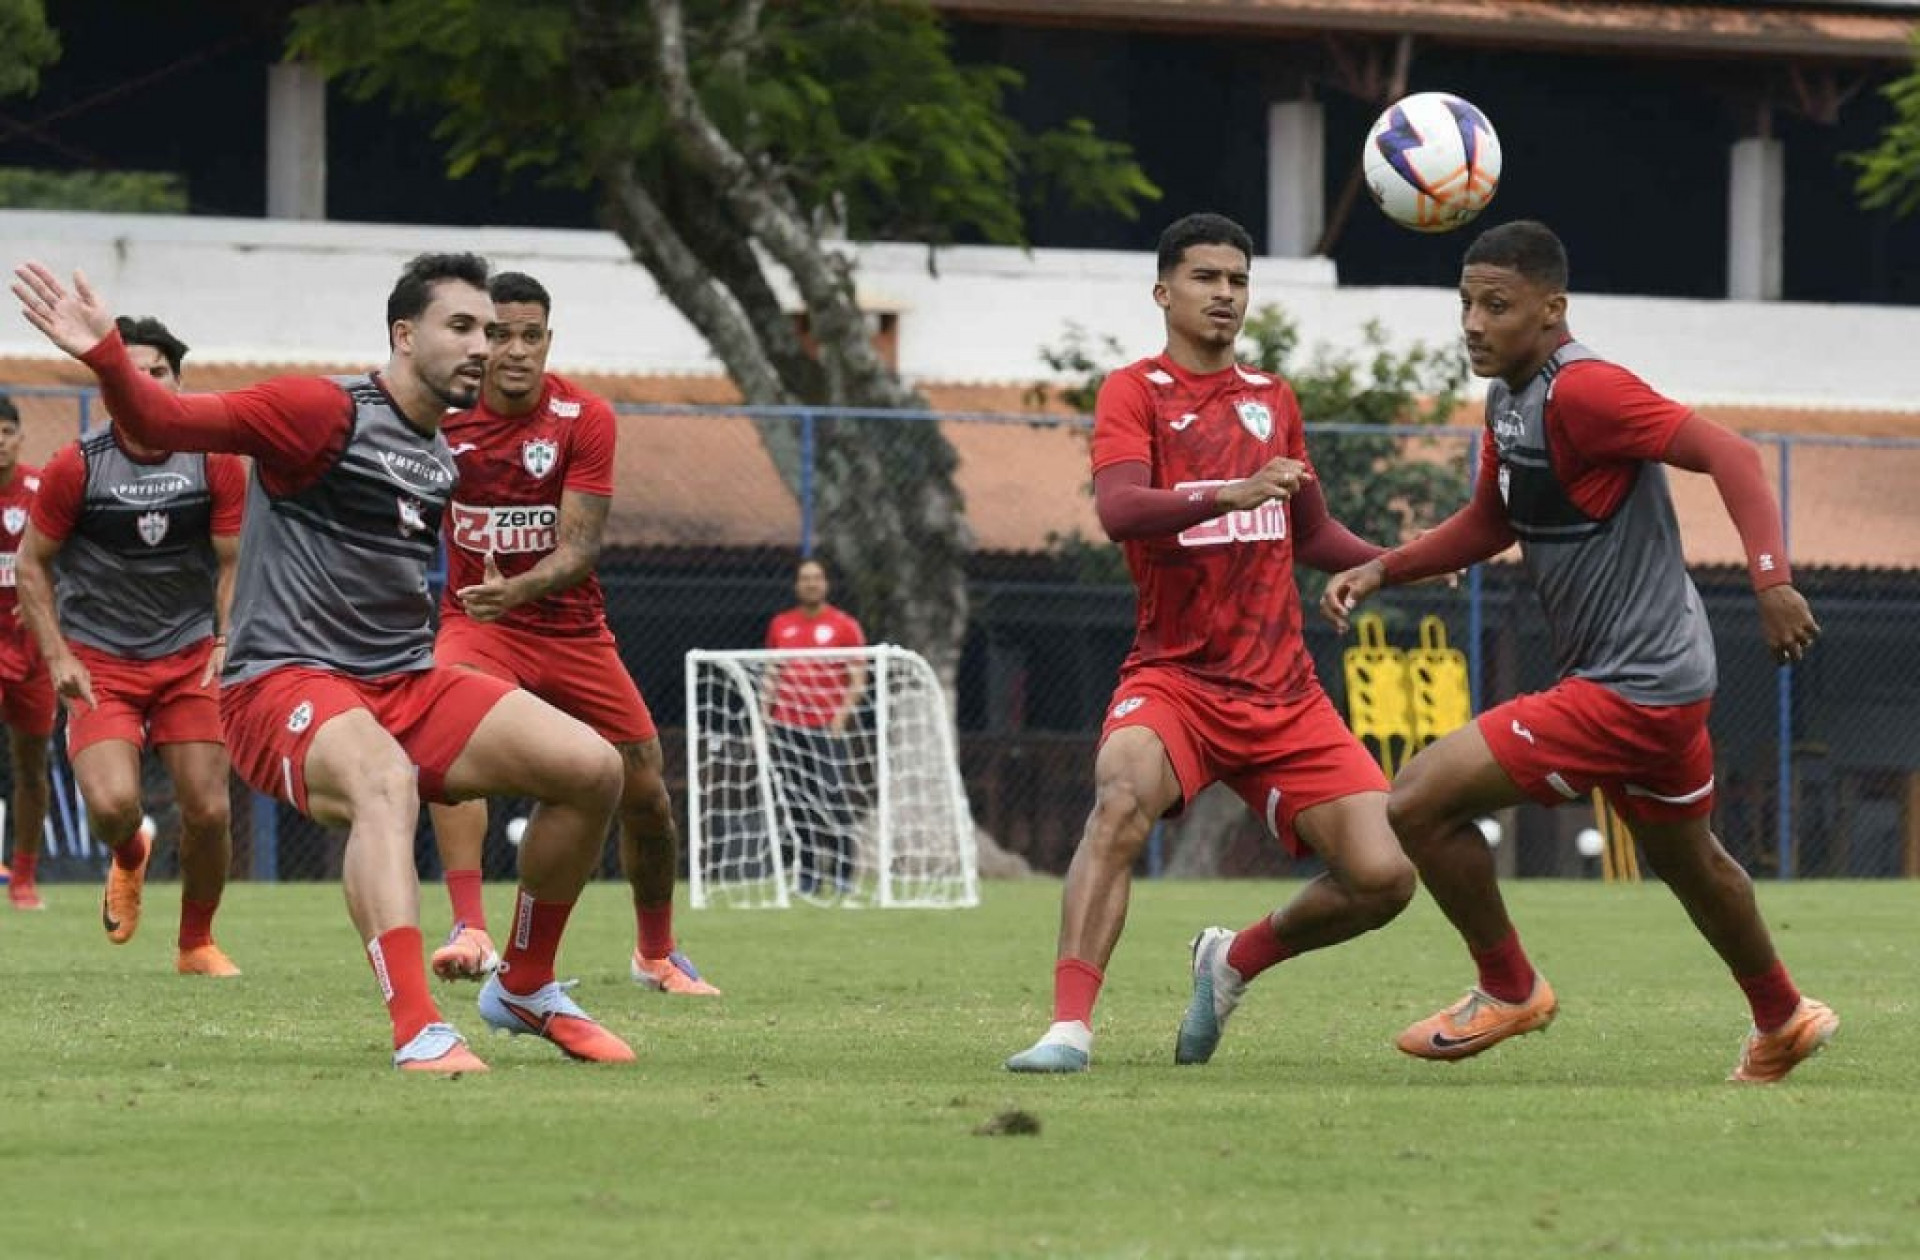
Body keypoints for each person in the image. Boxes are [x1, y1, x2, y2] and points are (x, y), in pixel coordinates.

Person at [12, 254, 631, 1073]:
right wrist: (105, 356)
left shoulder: (439, 453)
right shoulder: (317, 410)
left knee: (593, 769)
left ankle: (524, 985)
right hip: (283, 680)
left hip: (400, 680)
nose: (484, 347)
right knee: (384, 781)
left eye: (489, 330)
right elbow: (161, 420)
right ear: (403, 335)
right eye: (461, 327)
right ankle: (418, 1027)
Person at [1321, 219, 1836, 1084]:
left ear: (1552, 309)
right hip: (1664, 678)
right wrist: (1382, 568)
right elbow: (1490, 522)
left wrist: (1772, 582)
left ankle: (1509, 987)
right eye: (1465, 304)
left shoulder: (1588, 390)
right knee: (1690, 861)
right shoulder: (1508, 400)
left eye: (1497, 305)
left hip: (1632, 685)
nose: (1473, 323)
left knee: (1415, 801)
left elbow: (1734, 456)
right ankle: (1783, 1017)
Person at [1004, 212, 1416, 1073]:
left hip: (1283, 693)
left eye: (1237, 280)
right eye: (1205, 277)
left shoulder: (1273, 399)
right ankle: (1068, 1029)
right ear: (1164, 292)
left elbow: (1311, 532)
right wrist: (1228, 492)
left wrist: (1397, 562)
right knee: (1120, 798)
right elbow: (1120, 509)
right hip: (1176, 680)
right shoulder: (1135, 391)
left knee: (1385, 877)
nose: (1224, 293)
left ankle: (1232, 961)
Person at [425, 270, 718, 996]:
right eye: (499, 334)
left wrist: (515, 589)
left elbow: (580, 548)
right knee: (448, 740)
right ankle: (470, 928)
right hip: (478, 625)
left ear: (548, 341)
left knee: (646, 793)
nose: (516, 350)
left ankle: (656, 954)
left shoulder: (583, 417)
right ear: (477, 340)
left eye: (531, 336)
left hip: (571, 631)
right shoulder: (439, 418)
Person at [15, 316, 245, 975]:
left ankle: (196, 943)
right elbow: (31, 564)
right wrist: (58, 656)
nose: (145, 384)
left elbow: (233, 562)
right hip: (99, 661)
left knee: (208, 809)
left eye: (159, 372)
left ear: (179, 381)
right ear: (109, 386)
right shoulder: (77, 466)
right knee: (113, 806)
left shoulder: (214, 460)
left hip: (189, 655)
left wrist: (226, 638)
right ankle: (129, 853)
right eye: (130, 373)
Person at [762, 557, 867, 896]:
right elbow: (772, 673)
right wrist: (764, 714)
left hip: (826, 726)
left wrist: (840, 718)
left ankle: (842, 873)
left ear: (826, 584)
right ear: (797, 585)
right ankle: (808, 876)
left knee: (834, 796)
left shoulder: (844, 625)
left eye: (817, 578)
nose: (811, 583)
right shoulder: (781, 624)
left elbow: (858, 678)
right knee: (796, 801)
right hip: (787, 725)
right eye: (805, 578)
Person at [0, 393, 55, 911]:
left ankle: (24, 878)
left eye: (6, 432)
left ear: (20, 438)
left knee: (32, 767)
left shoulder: (42, 491)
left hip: (34, 648)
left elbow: (71, 557)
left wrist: (44, 600)